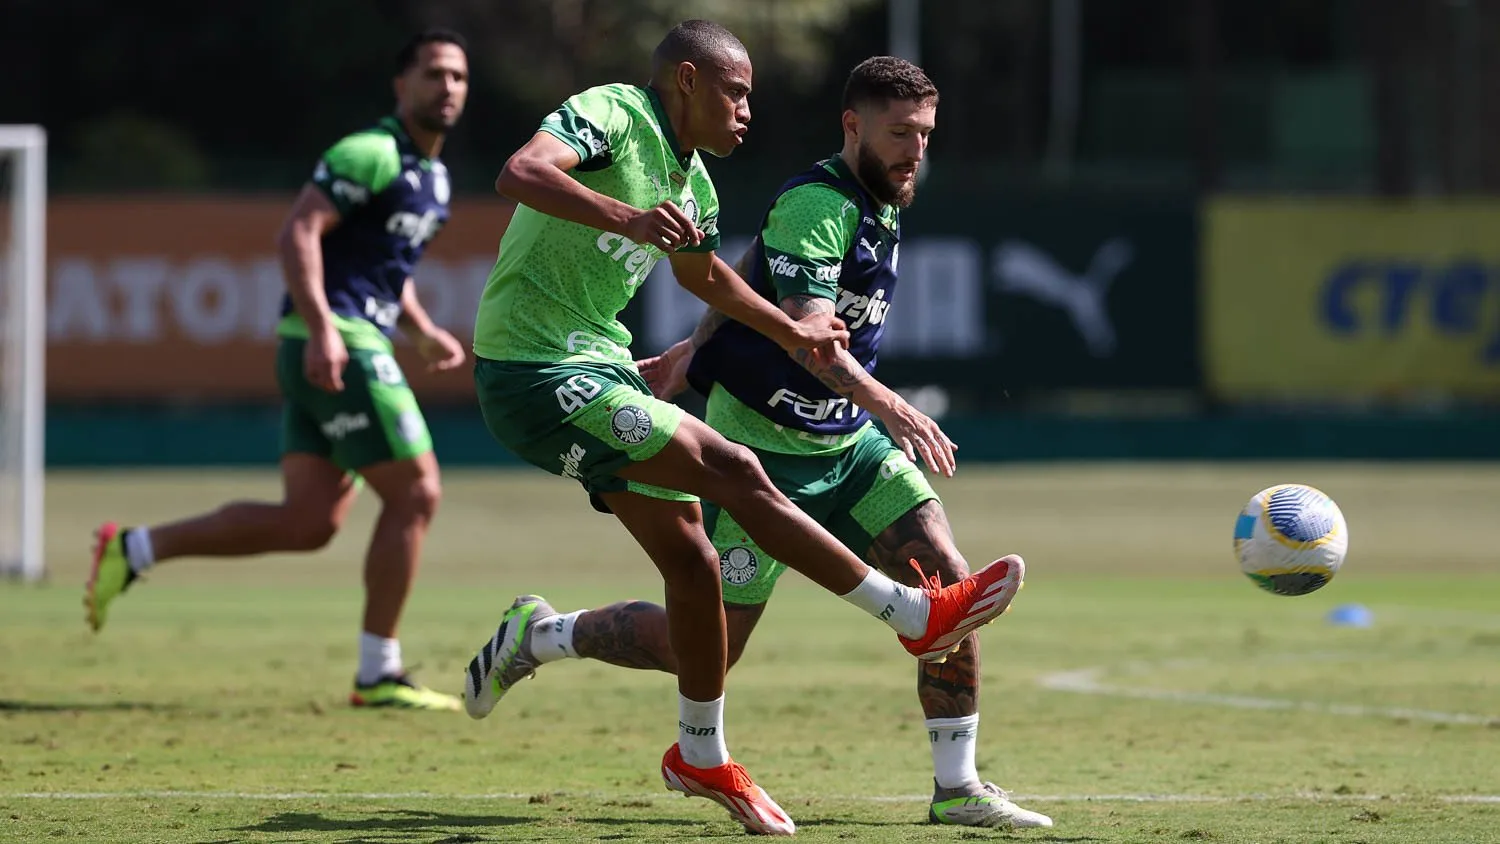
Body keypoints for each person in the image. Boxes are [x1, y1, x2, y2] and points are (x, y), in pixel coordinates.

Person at [461, 21, 1027, 836]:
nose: (748, 111)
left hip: (612, 370)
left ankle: (693, 747)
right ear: (686, 80)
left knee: (693, 577)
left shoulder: (698, 191)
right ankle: (909, 613)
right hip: (533, 369)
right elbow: (519, 172)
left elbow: (710, 279)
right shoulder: (615, 111)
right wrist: (626, 217)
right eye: (736, 92)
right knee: (735, 470)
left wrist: (784, 333)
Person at [83, 29, 472, 712]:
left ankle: (135, 549)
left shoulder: (434, 177)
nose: (448, 88)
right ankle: (378, 672)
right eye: (434, 74)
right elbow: (298, 232)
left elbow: (382, 266)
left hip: (342, 338)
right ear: (401, 85)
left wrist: (421, 328)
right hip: (337, 342)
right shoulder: (369, 151)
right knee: (416, 493)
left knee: (308, 522)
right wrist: (325, 330)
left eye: (459, 78)